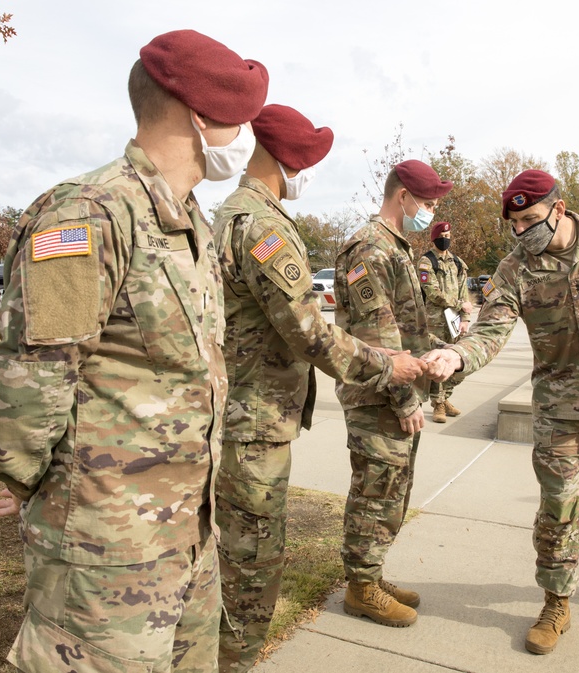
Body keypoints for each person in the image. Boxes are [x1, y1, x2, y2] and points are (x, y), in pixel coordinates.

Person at [0, 30, 268, 672]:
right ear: (198, 115)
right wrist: (22, 479)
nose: (245, 136)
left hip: (189, 532)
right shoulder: (88, 215)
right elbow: (30, 377)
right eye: (238, 117)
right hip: (106, 551)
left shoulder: (195, 225)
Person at [211, 104, 425, 670]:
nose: (308, 173)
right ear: (285, 161)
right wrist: (388, 367)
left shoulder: (232, 214)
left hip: (245, 412)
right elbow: (309, 332)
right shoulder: (263, 225)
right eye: (306, 160)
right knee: (252, 571)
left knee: (240, 557)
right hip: (255, 418)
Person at [422, 169, 579, 654]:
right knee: (557, 509)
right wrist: (459, 355)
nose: (522, 231)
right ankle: (556, 602)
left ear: (559, 209)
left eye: (530, 219)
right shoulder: (513, 268)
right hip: (559, 405)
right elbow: (491, 329)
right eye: (514, 224)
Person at [334, 159, 452, 628]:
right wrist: (404, 399)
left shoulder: (396, 247)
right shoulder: (370, 249)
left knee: (392, 489)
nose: (430, 211)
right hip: (378, 395)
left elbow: (407, 325)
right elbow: (376, 334)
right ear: (402, 195)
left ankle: (371, 572)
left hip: (394, 391)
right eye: (426, 202)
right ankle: (360, 588)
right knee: (375, 490)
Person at [417, 221, 472, 423]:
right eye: (442, 236)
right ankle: (438, 403)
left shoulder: (457, 262)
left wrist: (465, 318)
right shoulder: (426, 262)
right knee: (437, 362)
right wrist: (459, 304)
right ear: (434, 237)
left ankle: (445, 397)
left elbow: (463, 291)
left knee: (457, 363)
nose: (445, 240)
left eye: (449, 237)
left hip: (455, 321)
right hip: (434, 321)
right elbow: (431, 293)